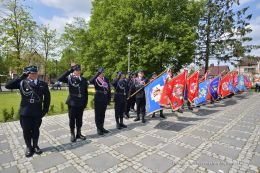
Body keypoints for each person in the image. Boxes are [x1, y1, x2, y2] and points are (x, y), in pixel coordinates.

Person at [5, 65, 50, 157]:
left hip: (37, 112)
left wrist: (44, 110)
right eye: (31, 73)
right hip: (25, 112)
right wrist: (21, 77)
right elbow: (7, 86)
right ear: (27, 74)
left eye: (35, 73)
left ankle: (36, 146)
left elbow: (47, 98)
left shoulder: (43, 84)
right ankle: (29, 147)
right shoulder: (22, 82)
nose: (34, 74)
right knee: (26, 130)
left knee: (36, 130)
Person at [58, 64, 99, 142]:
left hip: (81, 102)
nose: (78, 72)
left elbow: (85, 91)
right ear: (74, 71)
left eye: (79, 70)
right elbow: (60, 78)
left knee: (79, 119)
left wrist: (85, 103)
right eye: (76, 70)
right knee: (72, 118)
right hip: (72, 102)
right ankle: (72, 134)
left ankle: (79, 133)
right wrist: (69, 70)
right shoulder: (70, 79)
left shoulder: (83, 79)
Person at [92, 67, 111, 135]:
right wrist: (96, 74)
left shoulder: (106, 79)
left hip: (104, 98)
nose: (102, 73)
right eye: (101, 72)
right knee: (98, 114)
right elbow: (90, 81)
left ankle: (102, 127)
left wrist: (109, 99)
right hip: (98, 98)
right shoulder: (95, 79)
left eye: (103, 72)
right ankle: (98, 128)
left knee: (103, 114)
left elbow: (109, 89)